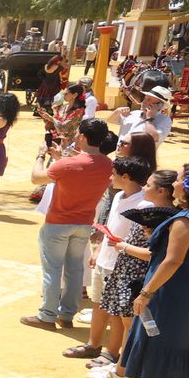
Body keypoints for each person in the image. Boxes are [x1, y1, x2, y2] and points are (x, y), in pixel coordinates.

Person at [107, 167, 189, 378]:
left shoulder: (187, 220)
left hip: (170, 287)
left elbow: (171, 262)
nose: (176, 182)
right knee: (166, 336)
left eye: (181, 178)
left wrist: (146, 293)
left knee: (155, 336)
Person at [22, 118, 117, 330]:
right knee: (74, 270)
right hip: (83, 223)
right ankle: (66, 315)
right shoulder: (108, 165)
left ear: (83, 137)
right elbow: (87, 164)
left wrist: (40, 156)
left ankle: (47, 314)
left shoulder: (67, 164)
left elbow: (36, 178)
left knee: (52, 269)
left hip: (58, 222)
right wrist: (61, 158)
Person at [70, 157, 158, 364]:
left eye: (114, 173)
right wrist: (98, 251)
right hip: (105, 261)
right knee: (99, 303)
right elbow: (110, 227)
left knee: (118, 313)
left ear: (125, 177)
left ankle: (111, 353)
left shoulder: (144, 204)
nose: (111, 177)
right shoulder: (118, 196)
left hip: (123, 266)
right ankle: (93, 345)